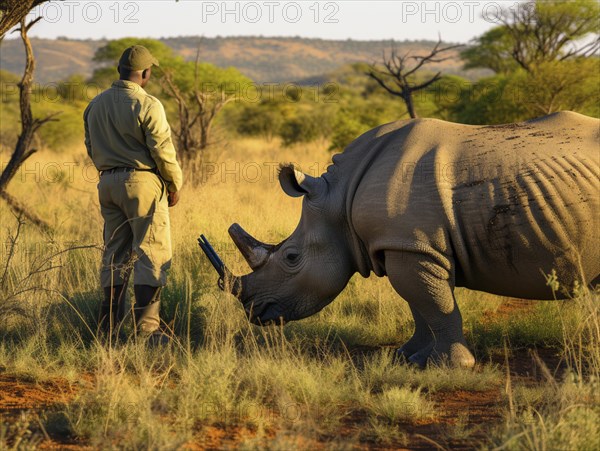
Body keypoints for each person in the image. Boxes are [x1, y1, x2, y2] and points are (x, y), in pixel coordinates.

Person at [83, 45, 183, 343]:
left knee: (114, 254)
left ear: (119, 71)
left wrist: (110, 170)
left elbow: (91, 146)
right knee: (151, 252)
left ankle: (108, 331)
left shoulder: (95, 105)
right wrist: (174, 183)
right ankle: (148, 332)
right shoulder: (148, 104)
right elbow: (162, 150)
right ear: (145, 73)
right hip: (142, 183)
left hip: (107, 183)